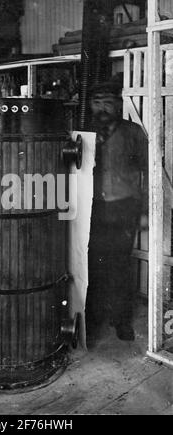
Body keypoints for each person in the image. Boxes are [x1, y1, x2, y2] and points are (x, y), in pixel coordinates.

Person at [86, 81, 148, 343]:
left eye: (108, 101)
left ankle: (122, 321)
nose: (103, 107)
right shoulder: (84, 134)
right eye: (97, 102)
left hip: (124, 208)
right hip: (93, 210)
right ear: (90, 105)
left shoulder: (133, 132)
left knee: (121, 266)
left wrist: (144, 211)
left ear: (119, 104)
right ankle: (94, 319)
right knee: (93, 266)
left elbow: (148, 172)